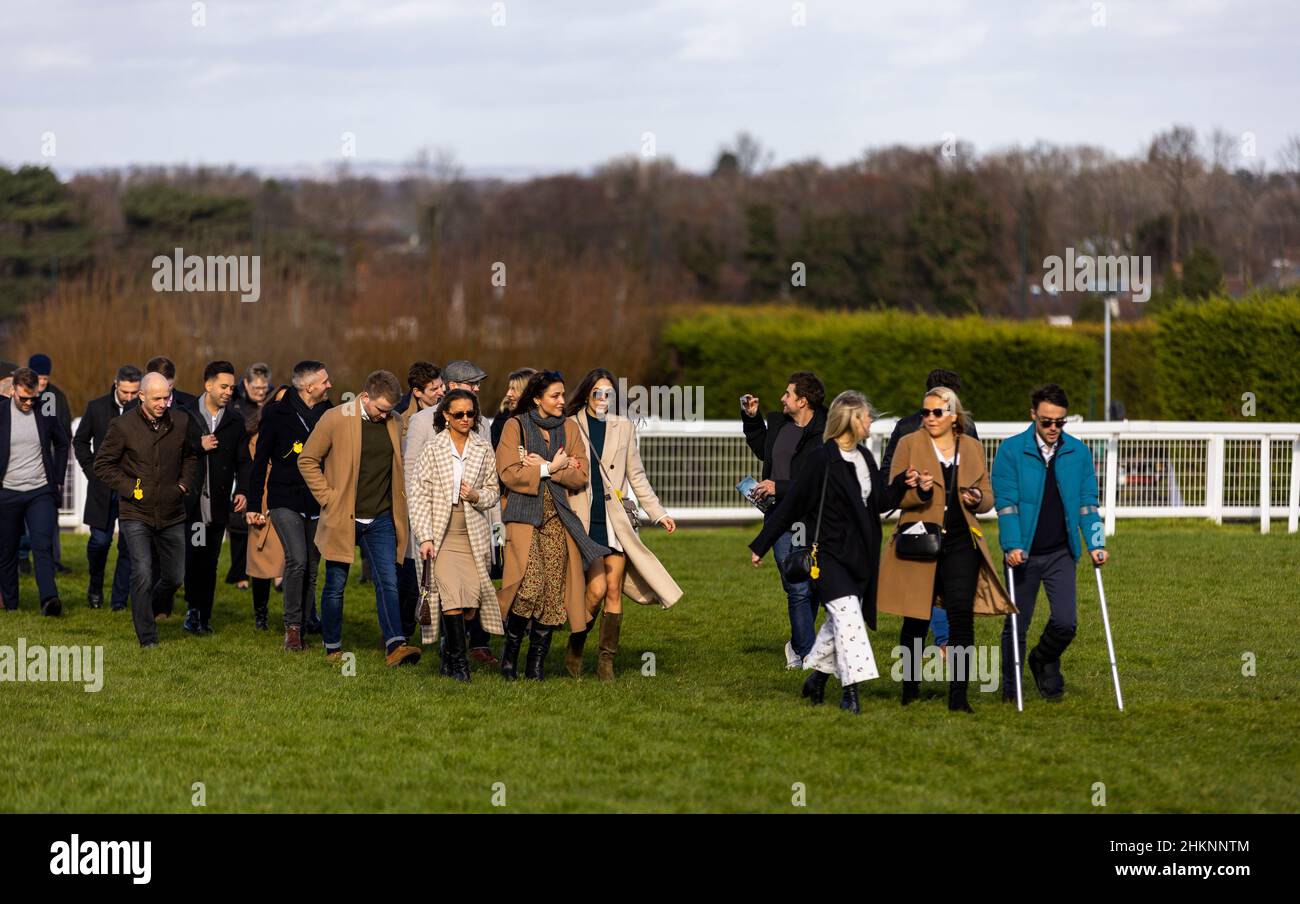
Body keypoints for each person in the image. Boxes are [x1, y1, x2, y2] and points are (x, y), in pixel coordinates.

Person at [750, 391, 902, 713]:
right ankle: (851, 693)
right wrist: (762, 544)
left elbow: (880, 502)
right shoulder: (822, 458)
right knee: (849, 621)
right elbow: (792, 504)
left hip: (860, 557)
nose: (871, 421)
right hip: (830, 557)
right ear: (850, 420)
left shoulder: (865, 458)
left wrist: (907, 483)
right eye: (866, 415)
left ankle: (817, 679)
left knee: (838, 622)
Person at [877, 386, 1014, 713]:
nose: (928, 418)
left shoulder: (972, 447)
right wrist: (918, 491)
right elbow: (892, 497)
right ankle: (910, 690)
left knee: (961, 619)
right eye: (925, 412)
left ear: (953, 415)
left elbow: (988, 495)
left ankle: (959, 697)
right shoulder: (909, 444)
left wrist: (978, 500)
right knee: (915, 620)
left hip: (961, 544)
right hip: (919, 540)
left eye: (936, 412)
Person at [994, 383, 1108, 703]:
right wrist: (1012, 546)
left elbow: (1088, 503)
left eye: (1060, 422)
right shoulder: (1011, 450)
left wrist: (1096, 543)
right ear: (1033, 416)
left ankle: (1042, 659)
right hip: (1023, 554)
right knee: (1017, 624)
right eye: (1047, 422)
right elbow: (1006, 504)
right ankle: (1010, 688)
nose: (1054, 428)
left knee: (1066, 622)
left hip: (1061, 552)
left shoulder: (1078, 452)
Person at [565, 368, 682, 681]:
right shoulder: (571, 423)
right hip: (583, 517)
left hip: (615, 520)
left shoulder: (624, 427)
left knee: (613, 588)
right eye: (597, 393)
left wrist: (659, 513)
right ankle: (576, 642)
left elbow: (637, 475)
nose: (603, 399)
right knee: (597, 588)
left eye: (608, 394)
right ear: (586, 394)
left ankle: (606, 663)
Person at [298, 370, 419, 667]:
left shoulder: (395, 420)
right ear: (365, 397)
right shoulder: (335, 419)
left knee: (389, 582)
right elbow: (307, 459)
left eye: (389, 410)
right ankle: (333, 647)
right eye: (380, 409)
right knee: (336, 585)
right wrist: (329, 498)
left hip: (382, 519)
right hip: (343, 516)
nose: (384, 415)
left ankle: (395, 646)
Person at [495, 370, 607, 680]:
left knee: (553, 592)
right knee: (530, 586)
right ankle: (510, 655)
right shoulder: (514, 427)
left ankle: (536, 665)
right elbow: (509, 473)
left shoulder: (569, 429)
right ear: (536, 399)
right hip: (523, 516)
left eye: (562, 394)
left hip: (559, 517)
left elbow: (581, 475)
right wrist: (555, 465)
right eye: (555, 396)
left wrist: (549, 469)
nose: (562, 401)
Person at [880, 369, 982, 659]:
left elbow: (980, 483)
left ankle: (948, 682)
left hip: (946, 529)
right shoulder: (909, 430)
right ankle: (923, 671)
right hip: (924, 524)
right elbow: (890, 476)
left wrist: (975, 496)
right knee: (921, 608)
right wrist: (911, 483)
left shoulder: (965, 432)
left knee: (935, 607)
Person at [93, 372, 200, 647]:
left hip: (172, 510)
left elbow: (191, 456)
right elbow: (103, 465)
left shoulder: (181, 421)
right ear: (141, 397)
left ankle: (146, 606)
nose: (163, 403)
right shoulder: (122, 426)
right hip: (135, 512)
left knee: (175, 576)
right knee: (141, 570)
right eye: (157, 399)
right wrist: (130, 488)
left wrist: (183, 486)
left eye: (167, 397)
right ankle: (147, 636)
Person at [407, 359, 501, 663]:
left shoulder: (482, 432)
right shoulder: (424, 427)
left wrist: (479, 500)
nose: (466, 417)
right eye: (459, 413)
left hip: (473, 527)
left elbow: (491, 485)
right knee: (448, 593)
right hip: (438, 528)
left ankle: (451, 650)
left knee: (471, 597)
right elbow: (414, 480)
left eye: (470, 413)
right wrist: (422, 533)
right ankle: (458, 663)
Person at [740, 371, 828, 669]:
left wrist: (781, 486)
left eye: (788, 394)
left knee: (810, 585)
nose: (782, 398)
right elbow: (763, 449)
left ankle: (800, 647)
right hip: (778, 516)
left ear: (803, 401)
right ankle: (806, 653)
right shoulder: (779, 422)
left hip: (811, 518)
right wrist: (752, 419)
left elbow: (817, 480)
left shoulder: (825, 432)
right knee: (797, 585)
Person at [248, 361, 331, 650]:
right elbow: (260, 462)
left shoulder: (329, 413)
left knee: (311, 564)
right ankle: (292, 630)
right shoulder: (275, 414)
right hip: (284, 499)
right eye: (324, 381)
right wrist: (254, 502)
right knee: (296, 558)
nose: (329, 385)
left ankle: (307, 621)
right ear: (309, 387)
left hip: (317, 500)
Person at [182, 361, 248, 635]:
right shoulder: (185, 417)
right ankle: (193, 610)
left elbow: (244, 461)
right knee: (195, 557)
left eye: (231, 387)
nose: (228, 392)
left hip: (219, 505)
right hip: (194, 504)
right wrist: (199, 445)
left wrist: (242, 489)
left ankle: (203, 615)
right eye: (223, 386)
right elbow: (174, 452)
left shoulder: (235, 421)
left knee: (210, 560)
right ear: (207, 385)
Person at [0, 367, 71, 615]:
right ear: (12, 391)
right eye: (24, 398)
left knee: (42, 545)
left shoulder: (45, 411)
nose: (29, 403)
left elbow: (63, 443)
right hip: (7, 492)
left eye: (33, 398)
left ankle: (49, 600)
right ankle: (11, 604)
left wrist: (58, 478)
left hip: (40, 491)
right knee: (7, 549)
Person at [73, 364, 141, 610]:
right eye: (126, 392)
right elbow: (80, 441)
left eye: (135, 393)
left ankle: (119, 600)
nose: (130, 398)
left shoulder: (143, 411)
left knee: (128, 545)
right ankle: (95, 584)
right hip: (102, 488)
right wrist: (93, 472)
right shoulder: (97, 407)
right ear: (116, 385)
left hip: (132, 489)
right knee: (100, 542)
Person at [397, 361, 443, 640]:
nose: (440, 392)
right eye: (433, 389)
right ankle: (401, 633)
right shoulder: (403, 420)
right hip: (409, 504)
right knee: (409, 576)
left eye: (441, 386)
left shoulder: (445, 414)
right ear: (417, 392)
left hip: (438, 504)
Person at [242, 389, 287, 634]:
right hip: (261, 505)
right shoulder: (255, 437)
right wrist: (254, 505)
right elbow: (251, 473)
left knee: (296, 563)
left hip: (287, 504)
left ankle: (300, 616)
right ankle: (261, 613)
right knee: (261, 565)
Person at [23, 354, 73, 574]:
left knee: (50, 515)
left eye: (46, 377)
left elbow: (65, 433)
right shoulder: (21, 396)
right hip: (24, 464)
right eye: (38, 377)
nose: (42, 382)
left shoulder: (57, 397)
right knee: (21, 514)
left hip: (49, 465)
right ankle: (23, 558)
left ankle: (54, 560)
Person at [226, 362, 272, 590]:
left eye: (264, 388)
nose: (261, 392)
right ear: (246, 384)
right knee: (239, 524)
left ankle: (272, 571)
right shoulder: (236, 406)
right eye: (256, 388)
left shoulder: (273, 401)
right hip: (241, 468)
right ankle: (240, 573)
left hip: (266, 467)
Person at [490, 368, 537, 451]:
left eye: (514, 389)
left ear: (527, 392)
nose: (508, 394)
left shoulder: (547, 419)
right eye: (509, 388)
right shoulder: (503, 417)